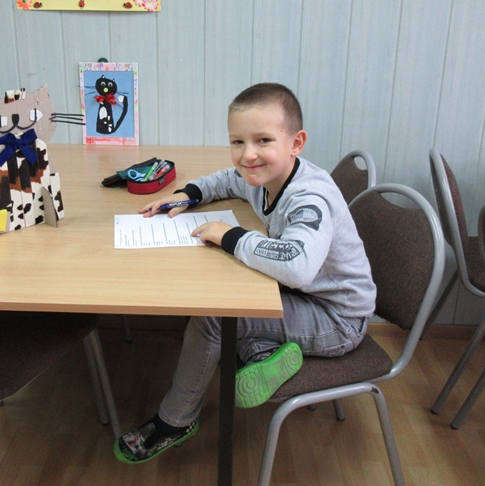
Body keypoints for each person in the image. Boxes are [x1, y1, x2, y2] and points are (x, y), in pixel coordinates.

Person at [114, 83, 377, 464]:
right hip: (304, 298)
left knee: (213, 319)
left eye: (263, 140)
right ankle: (265, 355)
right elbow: (227, 179)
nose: (247, 155)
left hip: (338, 318)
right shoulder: (265, 174)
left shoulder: (309, 196)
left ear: (296, 143)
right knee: (230, 300)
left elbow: (298, 267)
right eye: (237, 142)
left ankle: (175, 421)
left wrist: (231, 236)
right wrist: (188, 194)